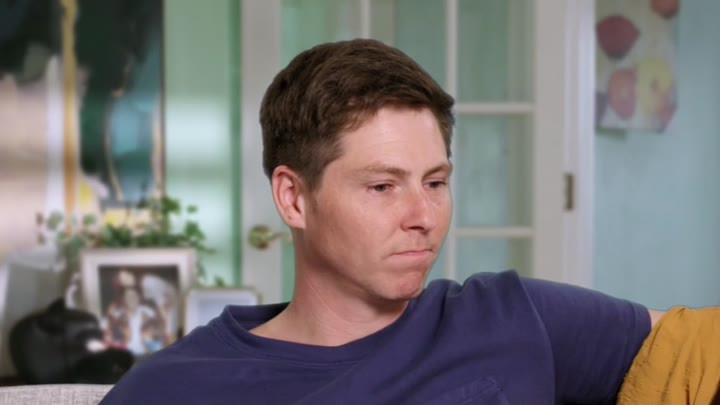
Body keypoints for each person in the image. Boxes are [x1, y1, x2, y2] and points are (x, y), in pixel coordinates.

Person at [101, 38, 666, 404]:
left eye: (435, 183)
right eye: (382, 187)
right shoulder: (173, 388)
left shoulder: (518, 316)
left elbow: (694, 356)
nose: (423, 217)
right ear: (294, 198)